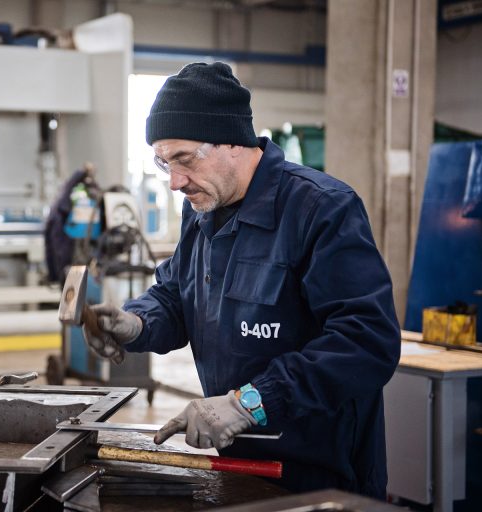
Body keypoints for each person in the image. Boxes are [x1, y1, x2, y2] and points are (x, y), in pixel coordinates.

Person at [82, 62, 401, 498]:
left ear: (233, 141)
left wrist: (249, 402)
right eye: (162, 162)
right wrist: (136, 323)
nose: (175, 181)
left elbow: (367, 342)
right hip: (235, 464)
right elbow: (178, 295)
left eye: (184, 159)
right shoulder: (202, 210)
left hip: (320, 474)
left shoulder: (321, 209)